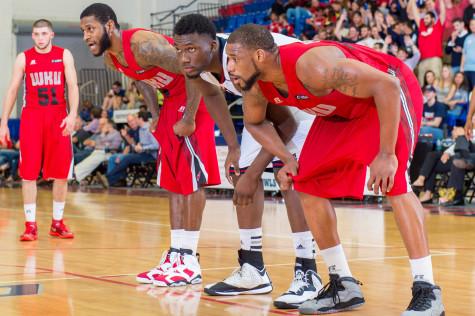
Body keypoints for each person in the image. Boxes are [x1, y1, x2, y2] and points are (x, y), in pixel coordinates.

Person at [225, 24, 444, 315]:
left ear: (261, 56)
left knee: (395, 182)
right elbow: (255, 123)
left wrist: (387, 153)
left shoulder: (313, 66)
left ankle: (427, 290)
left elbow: (385, 86)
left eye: (234, 59)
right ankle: (342, 283)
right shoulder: (256, 86)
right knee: (306, 182)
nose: (229, 68)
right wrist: (287, 158)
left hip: (388, 92)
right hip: (341, 111)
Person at [80, 3, 239, 287]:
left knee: (191, 181)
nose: (86, 36)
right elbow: (141, 81)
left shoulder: (142, 44)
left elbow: (192, 70)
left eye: (90, 29)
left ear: (110, 26)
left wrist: (189, 117)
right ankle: (177, 254)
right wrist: (154, 114)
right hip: (171, 102)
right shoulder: (112, 58)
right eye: (83, 31)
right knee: (173, 180)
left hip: (196, 96)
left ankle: (190, 259)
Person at [173, 14, 320, 309]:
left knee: (288, 176)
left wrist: (255, 173)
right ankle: (253, 268)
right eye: (179, 50)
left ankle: (309, 271)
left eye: (190, 49)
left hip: (302, 101)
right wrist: (233, 147)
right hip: (266, 108)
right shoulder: (199, 64)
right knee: (242, 175)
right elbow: (214, 96)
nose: (183, 57)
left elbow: (285, 124)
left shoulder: (245, 60)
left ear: (213, 45)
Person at [0, 19, 78, 241]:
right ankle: (30, 225)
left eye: (44, 33)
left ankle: (57, 222)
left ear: (52, 34)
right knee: (29, 173)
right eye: (36, 34)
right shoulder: (24, 58)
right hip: (32, 118)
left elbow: (72, 86)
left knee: (61, 173)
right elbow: (13, 89)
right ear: (32, 36)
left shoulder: (64, 54)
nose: (40, 38)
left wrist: (72, 114)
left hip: (58, 118)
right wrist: (4, 122)